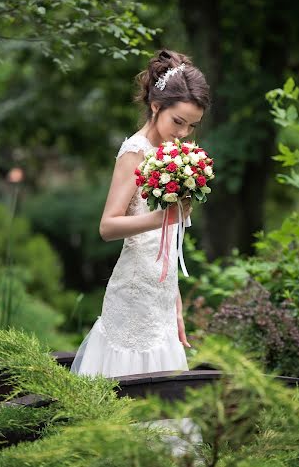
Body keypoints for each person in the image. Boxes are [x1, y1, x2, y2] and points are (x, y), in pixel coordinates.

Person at [70, 49, 210, 378]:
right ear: (156, 105)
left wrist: (174, 302)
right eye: (178, 121)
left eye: (191, 126)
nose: (183, 132)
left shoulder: (171, 158)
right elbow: (108, 226)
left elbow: (166, 244)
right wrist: (160, 218)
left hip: (160, 295)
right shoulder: (135, 152)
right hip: (132, 294)